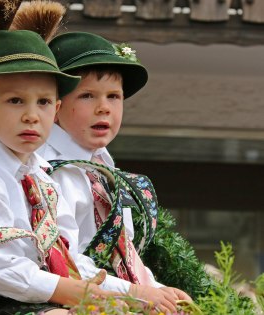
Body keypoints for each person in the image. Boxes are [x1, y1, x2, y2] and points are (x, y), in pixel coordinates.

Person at [0, 29, 115, 315]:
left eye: (44, 102)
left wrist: (133, 293)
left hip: (34, 297)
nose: (32, 115)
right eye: (15, 101)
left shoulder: (40, 177)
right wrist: (74, 293)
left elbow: (69, 256)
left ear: (57, 109)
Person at [37, 31, 192, 314]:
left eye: (114, 96)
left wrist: (157, 290)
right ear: (54, 106)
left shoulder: (103, 166)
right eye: (87, 96)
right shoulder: (46, 169)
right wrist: (138, 294)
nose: (104, 108)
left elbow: (122, 253)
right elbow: (63, 261)